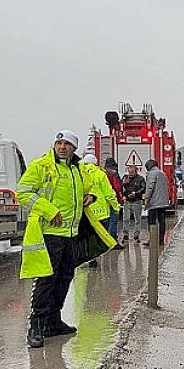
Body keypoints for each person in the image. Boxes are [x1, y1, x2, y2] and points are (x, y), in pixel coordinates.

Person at [16, 130, 116, 349]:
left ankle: (53, 322)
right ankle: (36, 326)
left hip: (71, 234)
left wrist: (91, 196)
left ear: (74, 148)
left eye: (67, 144)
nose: (62, 147)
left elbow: (88, 187)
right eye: (59, 143)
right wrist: (49, 210)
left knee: (64, 278)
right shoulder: (42, 166)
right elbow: (22, 193)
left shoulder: (78, 169)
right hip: (49, 234)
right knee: (46, 280)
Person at [81, 154, 123, 261]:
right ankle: (100, 257)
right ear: (95, 163)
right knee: (101, 236)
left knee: (88, 236)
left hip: (86, 212)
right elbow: (109, 193)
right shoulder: (100, 174)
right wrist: (116, 207)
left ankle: (91, 259)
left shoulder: (79, 173)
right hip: (101, 213)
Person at [144, 159, 170, 247]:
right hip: (163, 202)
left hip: (154, 203)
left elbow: (150, 187)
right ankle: (161, 241)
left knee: (151, 222)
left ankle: (152, 240)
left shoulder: (152, 173)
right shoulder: (163, 173)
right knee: (162, 221)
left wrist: (146, 198)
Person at [121, 164, 145, 243]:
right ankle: (125, 235)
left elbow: (143, 188)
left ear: (136, 171)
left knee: (137, 220)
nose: (130, 174)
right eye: (129, 172)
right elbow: (121, 188)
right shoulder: (125, 178)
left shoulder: (140, 179)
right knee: (126, 219)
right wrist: (123, 185)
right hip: (127, 201)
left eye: (132, 172)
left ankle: (136, 236)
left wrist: (136, 193)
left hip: (137, 201)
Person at [103, 158, 123, 239]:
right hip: (113, 198)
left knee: (107, 220)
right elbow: (117, 187)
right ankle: (112, 238)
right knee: (113, 220)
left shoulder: (102, 172)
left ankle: (106, 238)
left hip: (103, 200)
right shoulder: (114, 173)